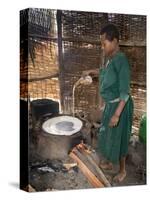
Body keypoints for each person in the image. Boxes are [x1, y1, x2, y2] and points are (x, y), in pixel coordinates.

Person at [83, 24, 134, 183]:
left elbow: (125, 92)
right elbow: (104, 72)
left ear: (115, 41)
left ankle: (123, 170)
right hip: (111, 104)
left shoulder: (121, 61)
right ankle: (111, 163)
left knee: (121, 137)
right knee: (109, 134)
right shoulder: (110, 60)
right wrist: (90, 71)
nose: (102, 46)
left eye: (104, 43)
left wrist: (117, 115)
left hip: (121, 106)